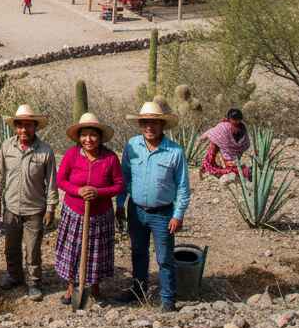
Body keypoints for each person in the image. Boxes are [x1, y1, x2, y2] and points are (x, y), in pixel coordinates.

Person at [114, 101, 191, 312]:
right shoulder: (132, 146)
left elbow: (183, 187)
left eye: (154, 122)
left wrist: (178, 215)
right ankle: (138, 290)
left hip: (163, 213)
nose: (149, 127)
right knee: (138, 252)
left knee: (164, 258)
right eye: (145, 122)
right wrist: (120, 204)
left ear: (162, 125)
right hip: (136, 210)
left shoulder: (175, 151)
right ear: (140, 124)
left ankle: (168, 300)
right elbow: (124, 178)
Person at [55, 113, 124, 305]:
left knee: (97, 253)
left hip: (100, 215)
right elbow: (61, 180)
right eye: (84, 135)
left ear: (100, 137)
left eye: (93, 135)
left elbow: (119, 185)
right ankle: (71, 287)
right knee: (73, 251)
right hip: (74, 212)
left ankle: (95, 288)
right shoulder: (71, 154)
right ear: (79, 137)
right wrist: (78, 190)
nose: (88, 139)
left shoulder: (110, 158)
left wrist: (98, 192)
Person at [0, 104, 58, 299]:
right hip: (11, 207)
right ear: (15, 127)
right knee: (11, 247)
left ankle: (34, 282)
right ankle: (14, 276)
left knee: (32, 249)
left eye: (28, 125)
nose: (24, 130)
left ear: (35, 126)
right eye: (20, 125)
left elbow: (52, 182)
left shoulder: (45, 151)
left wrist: (51, 208)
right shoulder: (7, 147)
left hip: (34, 209)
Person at [199, 108, 251, 179]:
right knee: (214, 144)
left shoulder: (240, 128)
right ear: (230, 119)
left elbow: (245, 142)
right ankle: (208, 167)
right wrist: (203, 137)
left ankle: (213, 169)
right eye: (235, 119)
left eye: (238, 119)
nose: (236, 121)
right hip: (229, 155)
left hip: (233, 156)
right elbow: (214, 132)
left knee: (233, 168)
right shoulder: (225, 126)